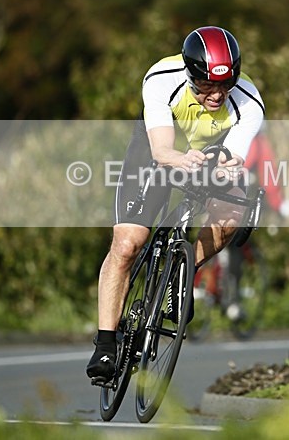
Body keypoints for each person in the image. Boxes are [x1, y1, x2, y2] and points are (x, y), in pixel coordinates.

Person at [86, 26, 265, 384]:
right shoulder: (161, 79)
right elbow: (162, 150)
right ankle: (106, 341)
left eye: (224, 85)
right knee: (128, 243)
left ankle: (183, 271)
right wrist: (178, 160)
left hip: (209, 157)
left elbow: (235, 155)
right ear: (190, 74)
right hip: (155, 153)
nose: (216, 94)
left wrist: (225, 166)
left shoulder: (249, 100)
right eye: (206, 86)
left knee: (231, 213)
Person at [215, 128, 289, 321]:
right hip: (232, 196)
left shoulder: (218, 127)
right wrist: (279, 206)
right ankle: (233, 301)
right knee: (236, 244)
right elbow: (269, 177)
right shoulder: (257, 140)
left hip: (206, 190)